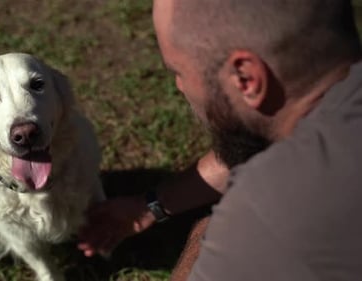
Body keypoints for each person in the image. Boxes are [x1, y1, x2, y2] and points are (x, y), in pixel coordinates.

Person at [78, 0, 362, 280]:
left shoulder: (266, 212)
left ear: (245, 77)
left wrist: (210, 232)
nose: (179, 86)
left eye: (179, 72)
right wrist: (150, 206)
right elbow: (252, 148)